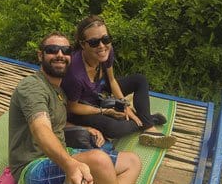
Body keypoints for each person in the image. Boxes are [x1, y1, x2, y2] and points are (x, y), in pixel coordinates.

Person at [8, 32, 171, 184]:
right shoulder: (31, 88)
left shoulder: (59, 91)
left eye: (65, 50)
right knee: (98, 159)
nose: (60, 55)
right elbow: (41, 129)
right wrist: (70, 164)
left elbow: (56, 124)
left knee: (132, 161)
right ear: (40, 55)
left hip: (57, 156)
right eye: (52, 50)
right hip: (32, 170)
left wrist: (82, 127)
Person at [61, 15, 176, 149]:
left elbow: (111, 80)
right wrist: (104, 111)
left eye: (106, 39)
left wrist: (124, 105)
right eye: (94, 42)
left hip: (100, 92)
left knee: (139, 80)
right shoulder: (75, 73)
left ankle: (149, 128)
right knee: (114, 129)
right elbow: (72, 107)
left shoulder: (106, 52)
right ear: (82, 44)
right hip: (82, 108)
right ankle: (149, 119)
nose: (102, 46)